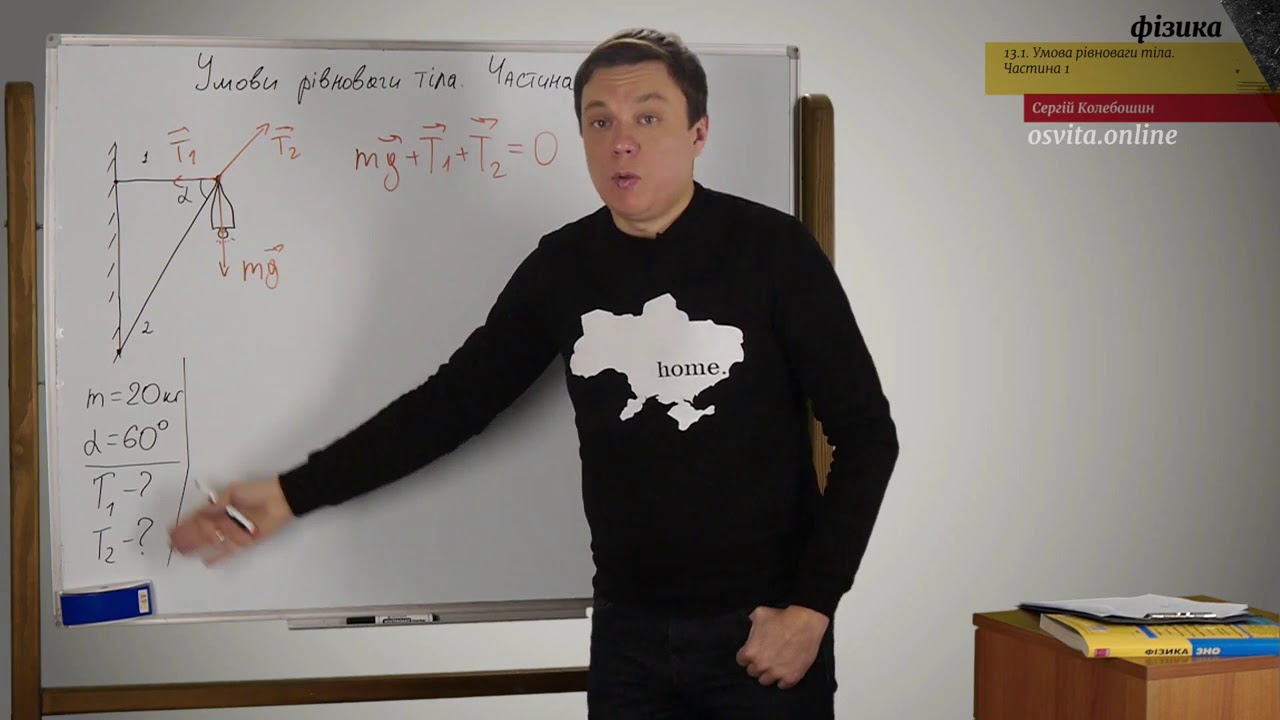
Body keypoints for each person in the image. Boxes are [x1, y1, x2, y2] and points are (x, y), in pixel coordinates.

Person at [169, 27, 899, 719]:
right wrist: (290, 493)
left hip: (765, 633)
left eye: (648, 118)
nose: (622, 141)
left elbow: (867, 436)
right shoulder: (564, 268)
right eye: (600, 121)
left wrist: (812, 607)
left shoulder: (773, 251)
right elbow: (449, 406)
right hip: (630, 640)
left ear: (698, 133)